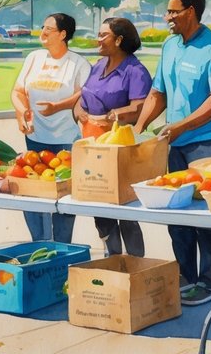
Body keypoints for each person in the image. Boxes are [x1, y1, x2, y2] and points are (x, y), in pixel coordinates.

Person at [133, 0, 211, 307]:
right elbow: (157, 93)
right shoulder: (169, 46)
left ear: (191, 12)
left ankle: (209, 282)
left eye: (173, 12)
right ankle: (185, 276)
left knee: (205, 216)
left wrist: (180, 126)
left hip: (208, 144)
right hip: (174, 144)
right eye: (167, 12)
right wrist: (138, 128)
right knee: (175, 212)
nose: (167, 17)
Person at [74, 16, 152, 257]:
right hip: (93, 148)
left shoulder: (135, 71)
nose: (98, 39)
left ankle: (135, 263)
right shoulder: (98, 66)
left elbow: (140, 106)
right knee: (100, 209)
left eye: (103, 35)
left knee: (125, 211)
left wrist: (113, 115)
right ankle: (113, 258)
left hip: (121, 152)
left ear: (118, 40)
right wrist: (79, 113)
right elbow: (82, 97)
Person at [11, 13, 89, 244]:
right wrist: (23, 113)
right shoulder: (34, 58)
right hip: (36, 138)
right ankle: (40, 244)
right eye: (42, 28)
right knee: (33, 194)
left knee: (64, 198)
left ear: (63, 34)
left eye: (48, 29)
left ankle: (62, 248)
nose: (42, 33)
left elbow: (85, 94)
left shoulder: (78, 63)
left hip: (66, 141)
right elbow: (18, 92)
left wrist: (58, 107)